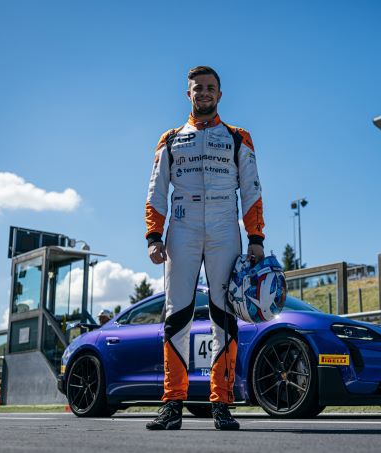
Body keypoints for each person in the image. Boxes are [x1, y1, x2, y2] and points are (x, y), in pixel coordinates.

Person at [144, 66, 265, 431]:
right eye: (199, 88)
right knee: (175, 315)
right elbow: (155, 191)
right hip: (181, 228)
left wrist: (255, 237)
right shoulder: (169, 139)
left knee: (223, 314)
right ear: (189, 94)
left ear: (220, 94)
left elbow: (253, 189)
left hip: (224, 228)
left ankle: (221, 404)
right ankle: (172, 404)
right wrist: (153, 236)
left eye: (211, 88)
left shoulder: (238, 137)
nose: (205, 93)